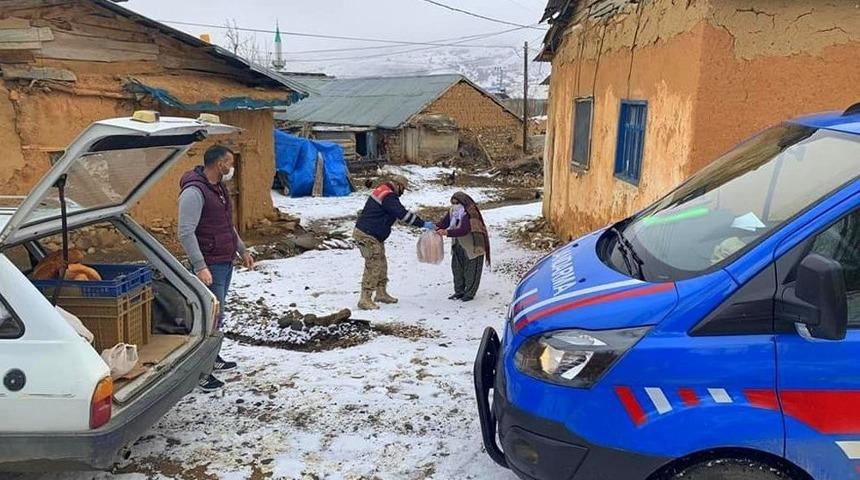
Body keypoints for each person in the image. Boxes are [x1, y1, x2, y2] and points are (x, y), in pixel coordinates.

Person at [178, 145, 254, 392]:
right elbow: (186, 232)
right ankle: (200, 372)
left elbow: (225, 224)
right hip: (209, 263)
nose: (231, 167)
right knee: (207, 317)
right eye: (229, 162)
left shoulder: (218, 189)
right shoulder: (194, 191)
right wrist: (200, 266)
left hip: (224, 260)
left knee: (217, 314)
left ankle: (211, 357)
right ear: (219, 163)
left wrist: (241, 249)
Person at [353, 174, 435, 310]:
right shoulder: (388, 196)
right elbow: (402, 214)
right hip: (367, 234)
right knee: (373, 265)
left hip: (373, 234)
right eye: (403, 189)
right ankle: (365, 298)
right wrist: (422, 223)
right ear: (398, 185)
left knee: (381, 264)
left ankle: (381, 293)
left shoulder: (383, 190)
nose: (403, 192)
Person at [436, 192, 491, 302]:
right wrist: (435, 227)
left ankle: (470, 293)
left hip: (472, 246)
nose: (455, 205)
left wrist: (447, 232)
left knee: (471, 270)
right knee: (457, 268)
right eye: (453, 203)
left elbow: (464, 230)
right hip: (458, 244)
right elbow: (444, 222)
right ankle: (459, 291)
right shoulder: (453, 211)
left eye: (457, 203)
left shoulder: (470, 214)